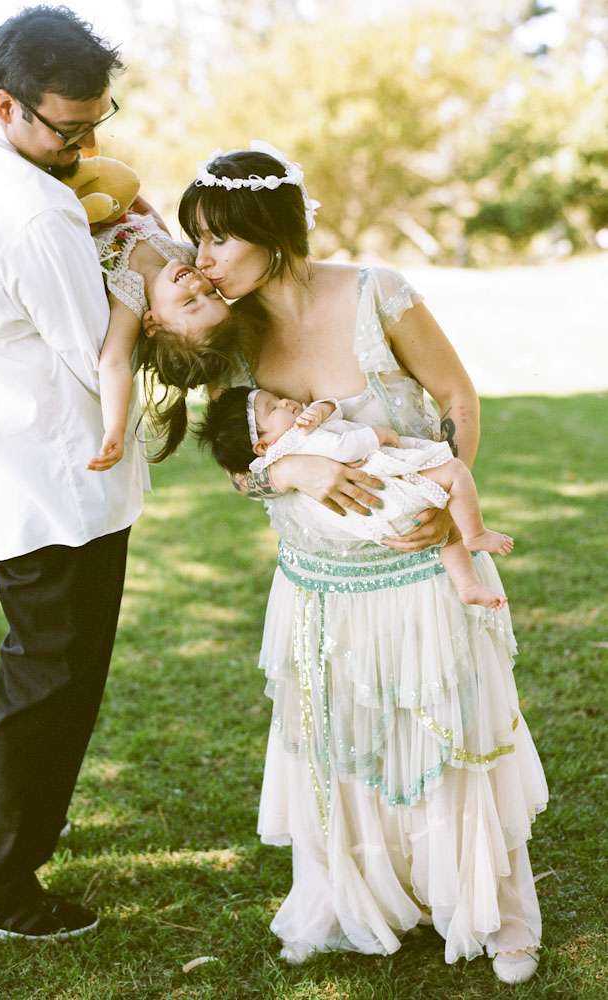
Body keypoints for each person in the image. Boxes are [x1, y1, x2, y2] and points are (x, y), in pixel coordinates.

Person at [167, 143, 548, 983]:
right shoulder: (231, 333)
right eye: (197, 239)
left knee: (452, 736)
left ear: (270, 231)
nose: (204, 257)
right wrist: (292, 470)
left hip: (420, 568)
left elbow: (457, 397)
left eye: (218, 238)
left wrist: (448, 498)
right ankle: (361, 897)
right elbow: (239, 462)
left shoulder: (379, 293)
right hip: (318, 585)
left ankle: (496, 912)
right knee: (345, 747)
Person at [0, 6, 148, 939]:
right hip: (59, 477)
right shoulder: (36, 211)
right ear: (7, 103)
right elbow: (96, 353)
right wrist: (137, 262)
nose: (84, 148)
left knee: (37, 664)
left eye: (97, 121)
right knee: (54, 681)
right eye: (68, 130)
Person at [198, 387, 514, 609]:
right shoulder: (298, 440)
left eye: (277, 398)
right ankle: (476, 534)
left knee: (447, 537)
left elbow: (335, 411)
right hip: (388, 494)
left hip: (379, 517)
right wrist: (378, 435)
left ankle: (468, 586)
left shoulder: (278, 450)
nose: (285, 402)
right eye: (273, 408)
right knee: (455, 472)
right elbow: (344, 447)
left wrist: (320, 409)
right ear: (263, 445)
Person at [84, 212, 234, 473]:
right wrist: (144, 209)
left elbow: (115, 362)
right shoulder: (187, 258)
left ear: (153, 323)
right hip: (118, 207)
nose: (197, 284)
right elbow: (159, 233)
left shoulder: (130, 294)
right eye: (212, 293)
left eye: (189, 302)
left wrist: (115, 428)